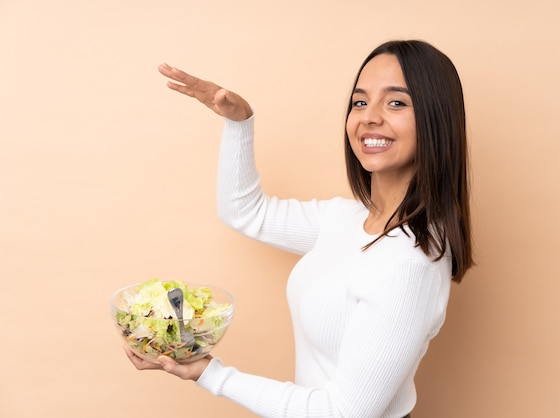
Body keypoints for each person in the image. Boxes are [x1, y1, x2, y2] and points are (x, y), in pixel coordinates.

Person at [124, 39, 473, 418]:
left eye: (396, 102)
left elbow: (342, 413)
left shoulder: (410, 264)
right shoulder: (346, 220)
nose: (369, 117)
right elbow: (245, 213)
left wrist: (211, 374)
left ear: (436, 119)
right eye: (360, 101)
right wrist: (238, 121)